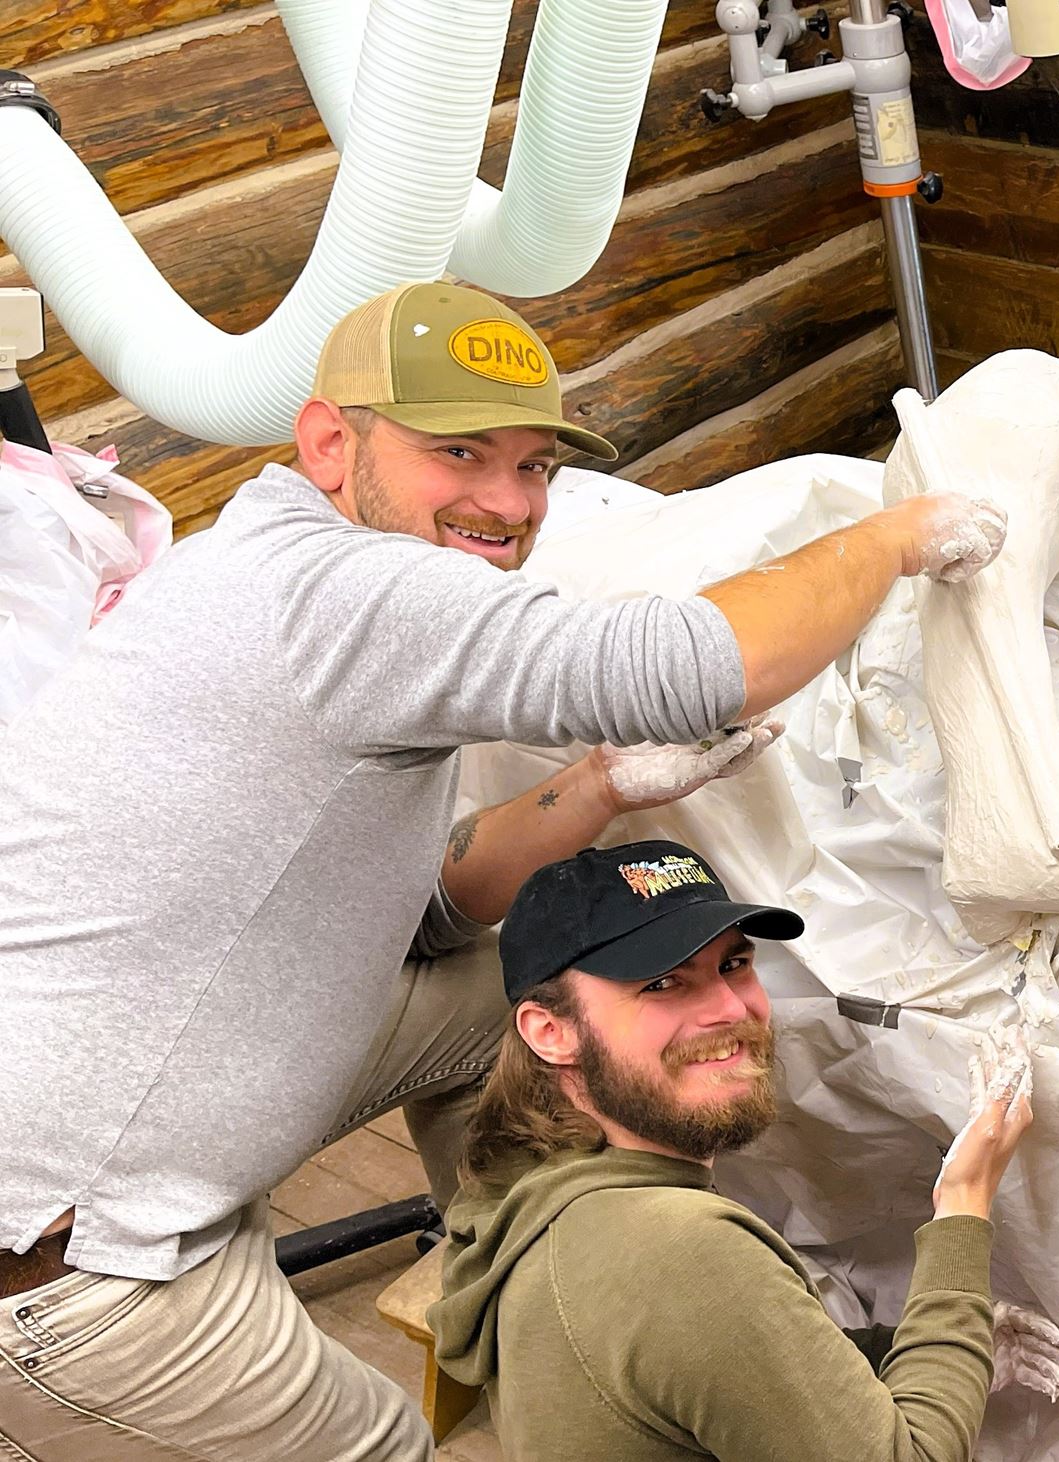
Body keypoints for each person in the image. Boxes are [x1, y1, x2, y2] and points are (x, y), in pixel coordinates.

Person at [0, 283, 1007, 1460]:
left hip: (145, 1102)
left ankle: (529, 1275)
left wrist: (597, 789)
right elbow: (688, 664)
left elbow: (426, 915)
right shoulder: (350, 592)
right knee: (382, 1445)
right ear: (329, 443)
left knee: (517, 996)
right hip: (75, 1249)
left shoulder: (269, 562)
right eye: (459, 452)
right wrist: (894, 536)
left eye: (533, 467)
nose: (507, 502)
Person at [429, 840, 1059, 1460]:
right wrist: (964, 1203)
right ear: (551, 1031)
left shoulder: (530, 1176)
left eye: (733, 965)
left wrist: (938, 1343)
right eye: (662, 983)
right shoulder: (682, 1254)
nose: (729, 1008)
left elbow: (719, 1369)